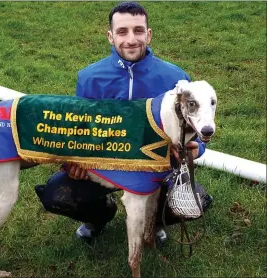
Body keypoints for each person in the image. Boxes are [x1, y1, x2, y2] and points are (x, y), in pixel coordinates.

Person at [35, 1, 213, 245]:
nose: (131, 39)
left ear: (148, 34)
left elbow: (194, 127)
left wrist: (197, 149)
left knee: (194, 200)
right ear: (110, 36)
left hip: (156, 168)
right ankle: (99, 215)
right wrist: (74, 161)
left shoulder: (176, 79)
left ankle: (155, 221)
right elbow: (79, 129)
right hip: (105, 166)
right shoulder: (89, 77)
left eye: (138, 31)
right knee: (58, 193)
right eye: (122, 31)